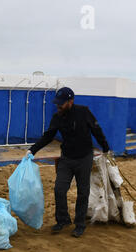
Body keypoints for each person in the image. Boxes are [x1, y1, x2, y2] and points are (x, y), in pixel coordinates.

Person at [28, 87, 110, 238]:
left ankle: (79, 224)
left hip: (84, 157)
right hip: (66, 158)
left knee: (82, 192)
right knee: (59, 189)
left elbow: (96, 130)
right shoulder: (57, 117)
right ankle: (63, 220)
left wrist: (105, 147)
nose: (58, 106)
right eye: (57, 103)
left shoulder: (83, 112)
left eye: (62, 103)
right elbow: (48, 136)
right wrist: (32, 150)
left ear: (70, 101)